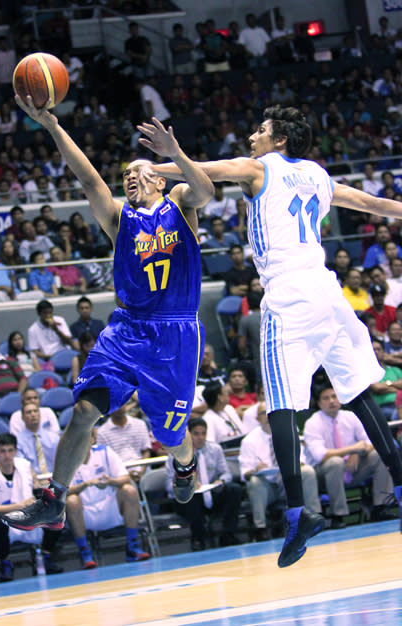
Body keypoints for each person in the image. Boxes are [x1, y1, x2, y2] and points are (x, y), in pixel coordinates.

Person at [148, 104, 402, 568]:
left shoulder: (260, 168)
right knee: (360, 393)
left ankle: (298, 514)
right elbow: (375, 205)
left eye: (260, 130)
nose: (251, 137)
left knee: (281, 405)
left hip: (287, 293)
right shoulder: (318, 176)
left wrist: (160, 161)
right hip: (328, 290)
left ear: (279, 139)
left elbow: (205, 171)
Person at [1, 97, 214, 536]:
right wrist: (53, 126)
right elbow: (88, 178)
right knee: (83, 411)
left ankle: (185, 463)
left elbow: (207, 190)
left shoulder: (180, 203)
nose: (130, 179)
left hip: (175, 333)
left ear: (158, 178)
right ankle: (53, 499)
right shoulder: (120, 219)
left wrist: (175, 155)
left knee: (170, 435)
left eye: (138, 173)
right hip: (129, 327)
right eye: (126, 176)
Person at [0, 434, 62, 585]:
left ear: (16, 451)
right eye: (3, 451)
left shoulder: (25, 467)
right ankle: (5, 563)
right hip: (2, 517)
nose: (7, 455)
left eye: (10, 451)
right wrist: (18, 506)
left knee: (56, 511)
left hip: (26, 514)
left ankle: (46, 556)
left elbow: (36, 491)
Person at [303, 386, 396, 528]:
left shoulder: (351, 416)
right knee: (335, 462)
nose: (332, 401)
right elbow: (320, 455)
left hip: (354, 468)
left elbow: (370, 441)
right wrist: (353, 449)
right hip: (324, 474)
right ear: (319, 403)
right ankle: (338, 515)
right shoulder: (312, 423)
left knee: (378, 454)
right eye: (326, 398)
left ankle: (381, 507)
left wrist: (357, 452)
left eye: (334, 396)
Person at [239, 401, 321, 540]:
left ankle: (314, 516)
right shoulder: (249, 440)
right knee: (254, 482)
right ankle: (261, 528)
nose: (267, 416)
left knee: (308, 471)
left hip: (288, 481)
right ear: (257, 419)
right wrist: (255, 470)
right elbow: (245, 473)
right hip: (267, 486)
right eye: (263, 413)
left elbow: (301, 460)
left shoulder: (289, 431)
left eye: (269, 412)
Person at [67, 429, 150, 564]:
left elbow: (125, 478)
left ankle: (133, 546)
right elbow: (61, 491)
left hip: (110, 506)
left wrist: (111, 481)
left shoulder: (105, 452)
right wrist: (84, 485)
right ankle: (85, 553)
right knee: (71, 501)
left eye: (85, 438)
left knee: (129, 490)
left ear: (92, 440)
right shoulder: (66, 460)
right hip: (85, 512)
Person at [165, 417, 243, 550]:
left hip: (211, 491)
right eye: (196, 433)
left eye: (203, 433)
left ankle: (228, 534)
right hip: (189, 499)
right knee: (191, 498)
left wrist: (221, 481)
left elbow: (226, 473)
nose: (200, 437)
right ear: (188, 435)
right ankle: (198, 538)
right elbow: (169, 486)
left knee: (235, 490)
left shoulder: (215, 449)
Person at [96, 404, 151, 483]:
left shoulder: (140, 424)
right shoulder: (102, 432)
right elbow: (105, 461)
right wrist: (126, 474)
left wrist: (141, 472)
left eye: (122, 403)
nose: (120, 407)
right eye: (116, 405)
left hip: (142, 469)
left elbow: (146, 451)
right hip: (119, 473)